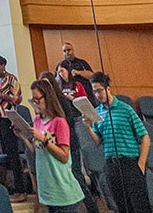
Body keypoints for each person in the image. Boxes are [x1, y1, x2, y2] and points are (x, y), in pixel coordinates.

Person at [83, 72, 150, 213]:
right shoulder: (97, 112)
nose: (97, 95)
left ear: (108, 89)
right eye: (94, 92)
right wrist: (88, 127)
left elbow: (145, 137)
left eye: (99, 90)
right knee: (122, 207)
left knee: (140, 207)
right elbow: (97, 141)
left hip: (131, 163)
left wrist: (141, 165)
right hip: (111, 165)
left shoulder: (126, 109)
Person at [14, 79, 85, 213]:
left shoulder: (59, 122)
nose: (35, 103)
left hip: (63, 190)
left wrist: (43, 139)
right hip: (47, 189)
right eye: (33, 100)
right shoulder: (37, 121)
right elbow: (36, 150)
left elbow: (64, 156)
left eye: (38, 99)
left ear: (47, 98)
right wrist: (22, 136)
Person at [40, 71, 99, 213]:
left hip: (69, 145)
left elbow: (70, 123)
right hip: (55, 147)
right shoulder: (43, 105)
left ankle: (93, 210)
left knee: (77, 178)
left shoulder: (62, 100)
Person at [0, 55, 30, 201]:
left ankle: (21, 188)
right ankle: (11, 186)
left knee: (13, 153)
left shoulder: (12, 79)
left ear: (3, 65)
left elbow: (16, 98)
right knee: (6, 153)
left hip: (9, 118)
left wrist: (1, 95)